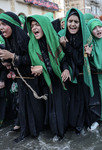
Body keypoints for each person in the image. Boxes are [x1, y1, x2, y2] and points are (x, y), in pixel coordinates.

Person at [0, 12, 45, 142]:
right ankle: (25, 131)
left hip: (32, 80)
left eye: (4, 24)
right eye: (0, 25)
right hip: (21, 80)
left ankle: (37, 134)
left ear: (13, 25)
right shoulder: (9, 40)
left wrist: (12, 57)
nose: (1, 28)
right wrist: (9, 65)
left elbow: (32, 60)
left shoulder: (25, 39)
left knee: (34, 108)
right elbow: (15, 61)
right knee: (23, 107)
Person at [27, 15, 71, 139]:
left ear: (45, 25)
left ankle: (61, 136)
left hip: (59, 80)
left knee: (60, 111)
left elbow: (63, 59)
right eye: (32, 26)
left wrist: (66, 69)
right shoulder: (31, 44)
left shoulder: (54, 39)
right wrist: (37, 69)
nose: (34, 28)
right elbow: (30, 65)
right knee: (52, 113)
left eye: (37, 25)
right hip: (45, 83)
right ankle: (57, 134)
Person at [59, 8, 97, 134]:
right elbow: (61, 58)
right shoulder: (61, 36)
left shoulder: (87, 38)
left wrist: (67, 47)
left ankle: (80, 126)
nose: (73, 24)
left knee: (81, 103)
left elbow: (80, 60)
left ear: (81, 23)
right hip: (68, 77)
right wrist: (65, 68)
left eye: (76, 21)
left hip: (82, 77)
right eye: (70, 21)